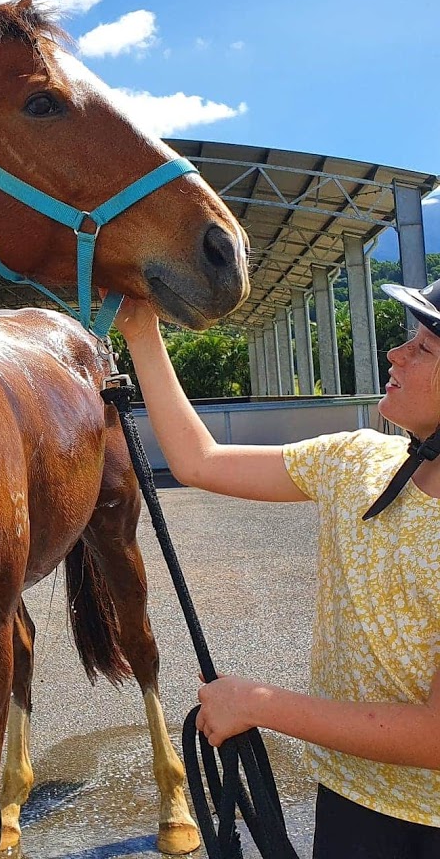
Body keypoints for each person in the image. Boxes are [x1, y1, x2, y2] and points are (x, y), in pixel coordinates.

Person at [115, 283, 440, 858]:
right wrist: (142, 332)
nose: (396, 354)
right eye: (409, 340)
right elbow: (199, 461)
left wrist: (259, 703)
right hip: (347, 795)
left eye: (425, 348)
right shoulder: (357, 460)